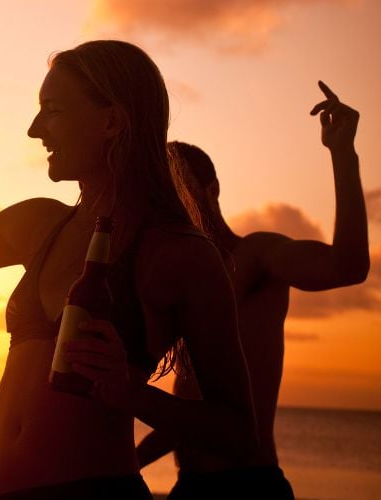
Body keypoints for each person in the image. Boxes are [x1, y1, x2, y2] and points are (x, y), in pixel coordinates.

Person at [0, 40, 259, 499]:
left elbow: (239, 431)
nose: (34, 129)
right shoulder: (37, 223)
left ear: (112, 121)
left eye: (52, 110)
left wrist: (132, 394)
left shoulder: (180, 253)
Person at [135, 82, 368, 499]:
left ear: (212, 191)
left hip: (249, 484)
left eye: (182, 190)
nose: (173, 204)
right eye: (163, 194)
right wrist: (124, 462)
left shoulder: (255, 256)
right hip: (188, 487)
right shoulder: (180, 278)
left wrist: (342, 153)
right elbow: (197, 410)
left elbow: (347, 266)